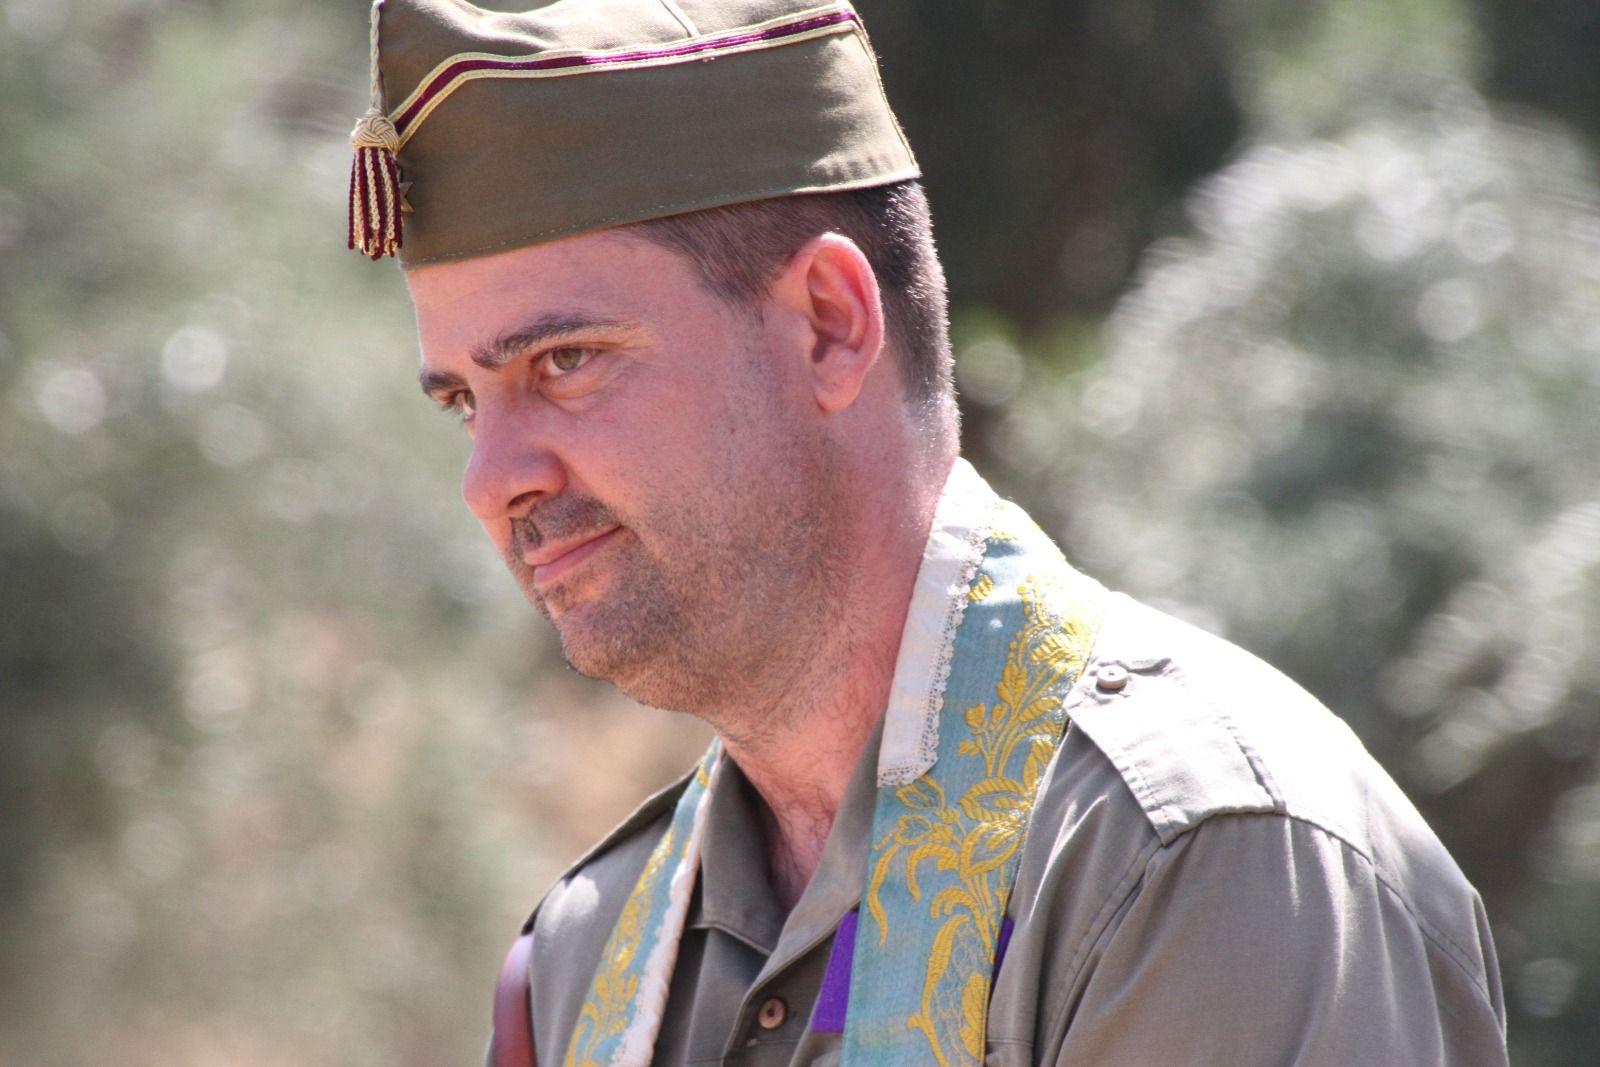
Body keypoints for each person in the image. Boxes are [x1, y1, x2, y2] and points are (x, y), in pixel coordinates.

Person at [345, 1, 1510, 1064]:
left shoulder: (1192, 861)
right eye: (461, 399)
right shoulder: (590, 956)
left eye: (565, 362)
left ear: (829, 324)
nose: (490, 478)